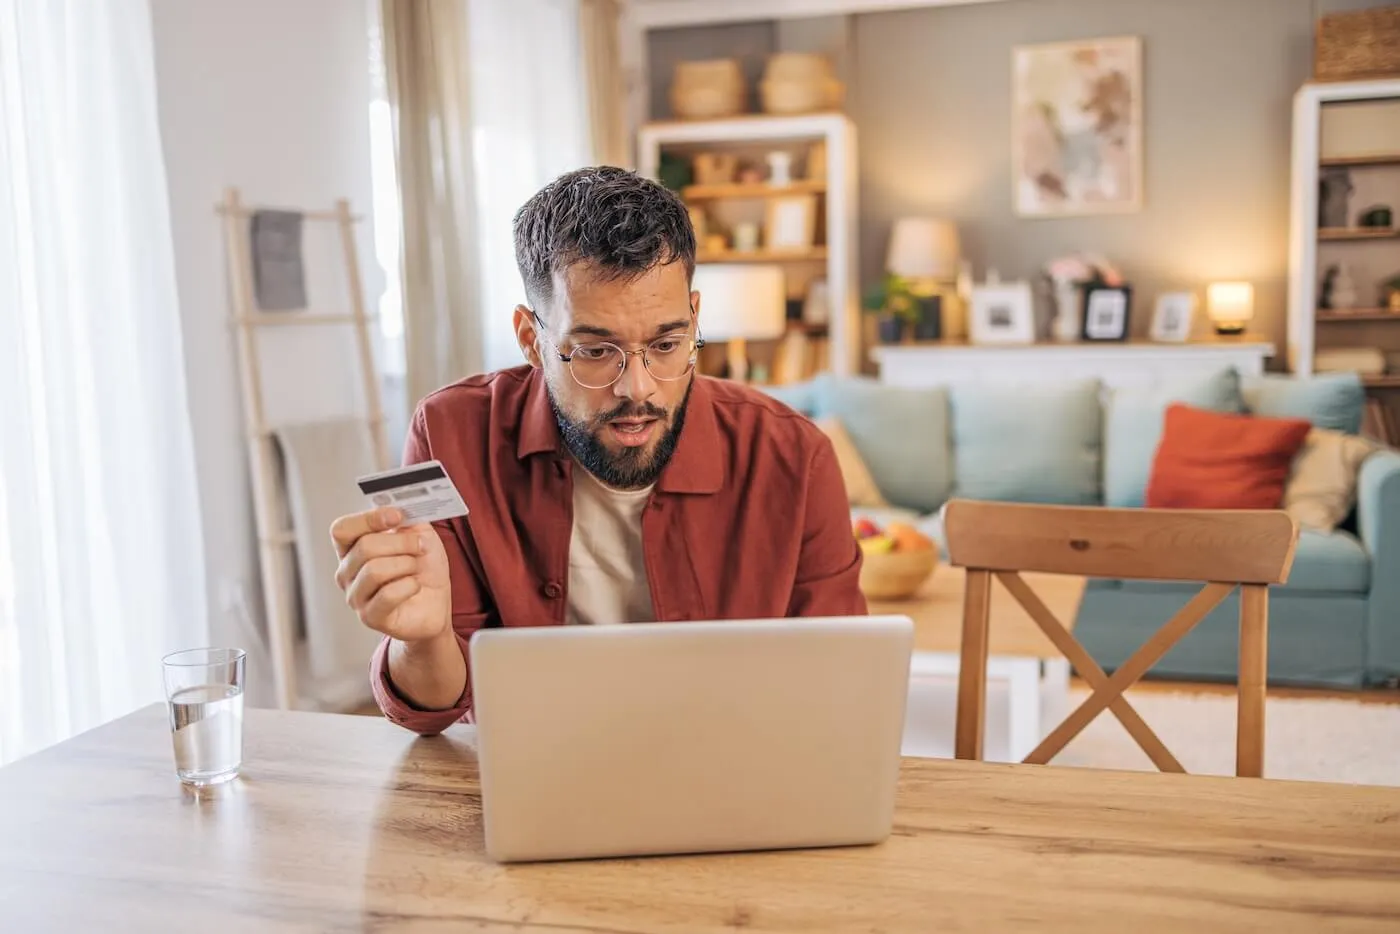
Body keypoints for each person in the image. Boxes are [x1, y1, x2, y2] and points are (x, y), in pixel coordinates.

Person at [331, 166, 864, 735]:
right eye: (593, 351)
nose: (637, 388)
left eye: (666, 344)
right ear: (531, 339)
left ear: (694, 319)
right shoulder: (450, 434)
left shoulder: (794, 457)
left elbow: (837, 695)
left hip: (736, 775)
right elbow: (436, 707)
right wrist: (424, 638)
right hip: (533, 781)